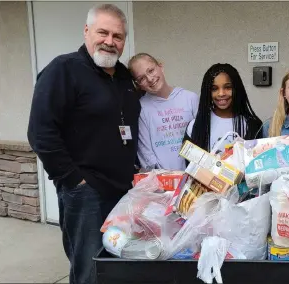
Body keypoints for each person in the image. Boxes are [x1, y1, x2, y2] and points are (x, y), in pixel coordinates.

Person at [27, 4, 140, 284]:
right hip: (86, 193)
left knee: (120, 265)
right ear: (87, 31)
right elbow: (40, 132)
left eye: (118, 36)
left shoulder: (124, 77)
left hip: (123, 191)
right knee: (90, 270)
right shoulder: (63, 70)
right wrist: (72, 179)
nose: (110, 41)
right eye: (103, 32)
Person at [128, 53, 199, 170]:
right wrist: (162, 177)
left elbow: (202, 138)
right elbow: (145, 151)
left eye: (151, 71)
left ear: (160, 67)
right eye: (142, 78)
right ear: (138, 85)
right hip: (163, 182)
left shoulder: (190, 98)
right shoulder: (141, 108)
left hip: (195, 178)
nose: (150, 79)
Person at [183, 63, 263, 155]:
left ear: (237, 89)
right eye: (214, 88)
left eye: (228, 87)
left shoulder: (253, 125)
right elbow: (190, 166)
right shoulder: (195, 126)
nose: (221, 93)